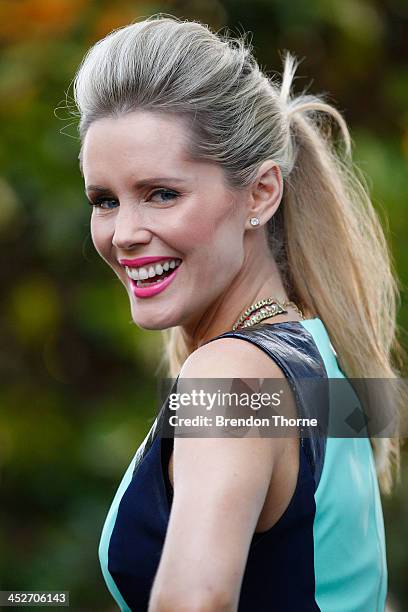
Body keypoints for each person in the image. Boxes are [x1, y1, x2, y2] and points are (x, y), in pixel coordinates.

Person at [71, 14, 405, 612]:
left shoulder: (230, 378)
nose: (123, 233)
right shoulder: (318, 354)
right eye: (104, 200)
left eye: (161, 193)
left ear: (260, 194)